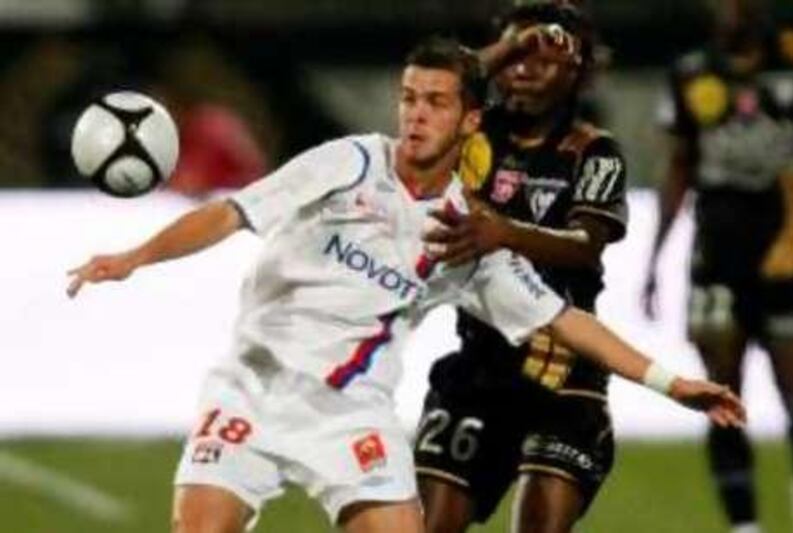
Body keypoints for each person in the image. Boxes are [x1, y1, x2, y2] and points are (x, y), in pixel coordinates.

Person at [67, 37, 743, 533]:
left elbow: (564, 320)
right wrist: (135, 256)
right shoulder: (348, 161)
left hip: (349, 413)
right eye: (409, 98)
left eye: (436, 103)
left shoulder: (466, 235)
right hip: (253, 386)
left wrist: (672, 382)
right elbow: (228, 213)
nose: (416, 115)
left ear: (471, 120)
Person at [413, 4, 632, 532]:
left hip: (561, 376)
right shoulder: (471, 135)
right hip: (478, 369)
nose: (525, 68)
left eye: (546, 59)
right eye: (515, 56)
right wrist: (513, 44)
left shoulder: (593, 152)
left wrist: (504, 233)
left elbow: (585, 244)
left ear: (579, 71)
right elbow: (437, 84)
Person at [643, 1, 793, 532]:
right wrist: (654, 258)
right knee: (723, 396)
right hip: (717, 257)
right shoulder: (691, 72)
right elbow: (679, 166)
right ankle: (745, 528)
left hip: (789, 258)